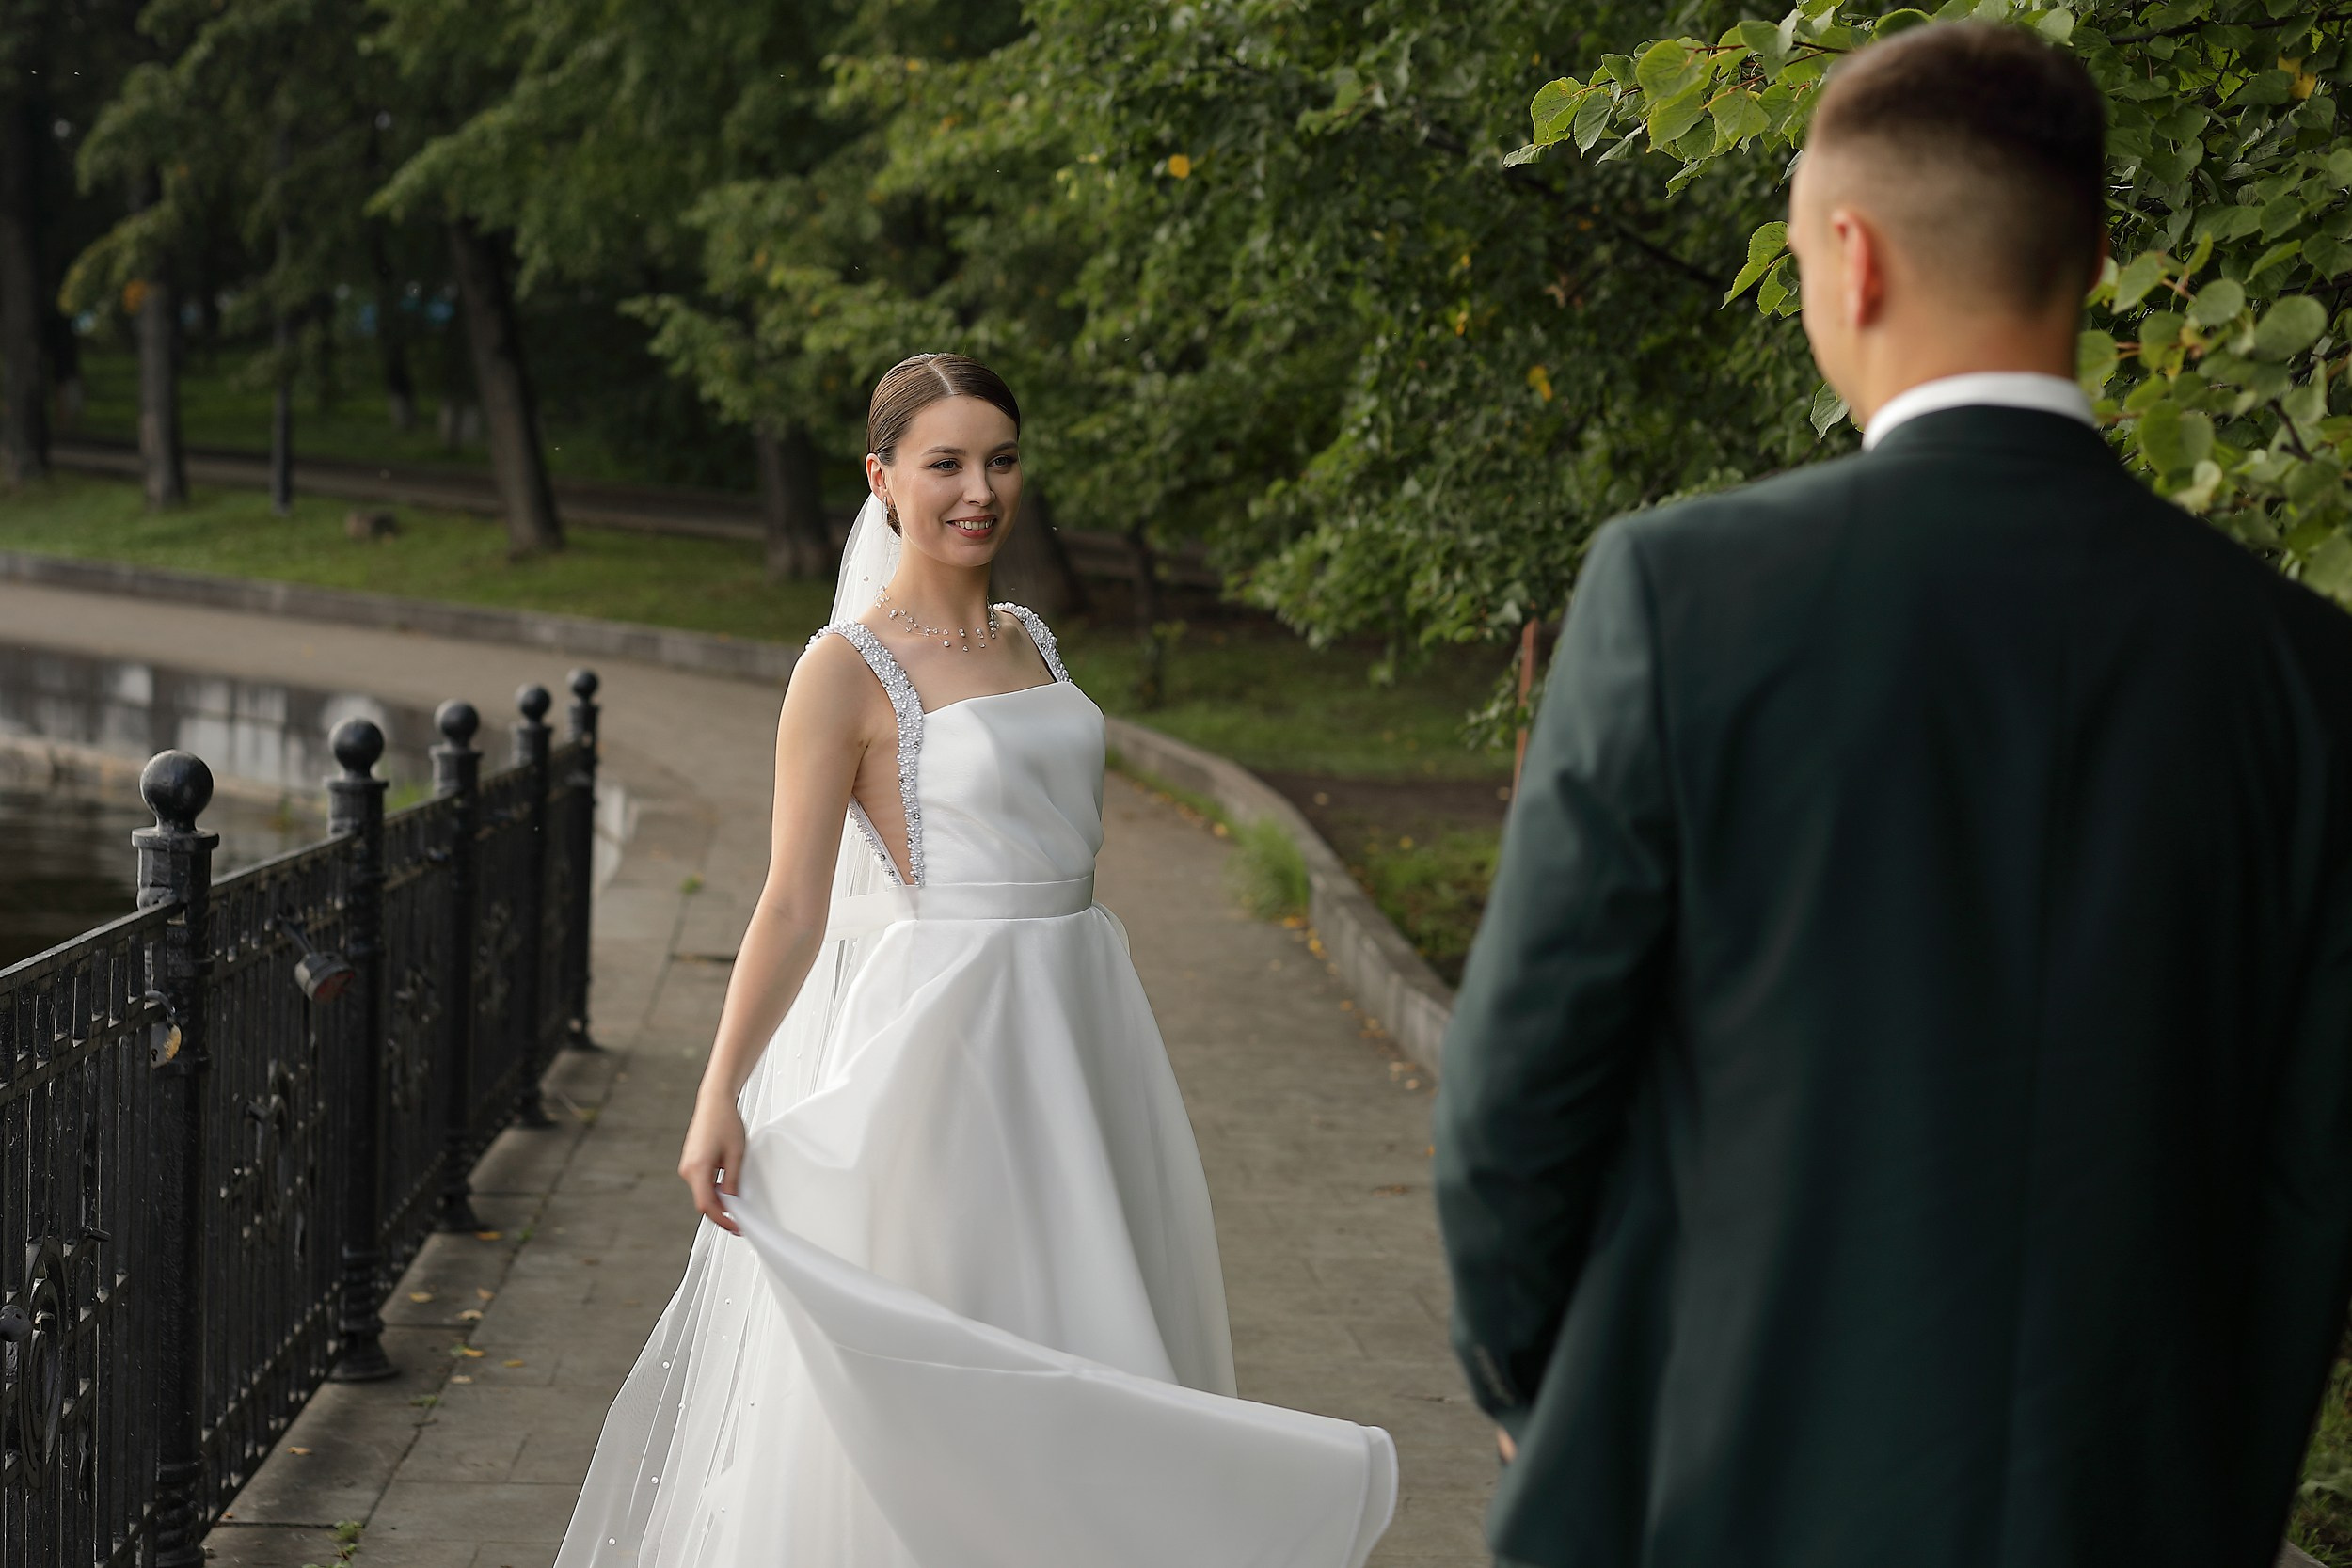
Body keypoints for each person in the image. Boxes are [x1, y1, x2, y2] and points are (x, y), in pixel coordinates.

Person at [1433, 23, 2352, 1568]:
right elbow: (2309, 1175)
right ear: (2097, 260)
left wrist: (1542, 1383)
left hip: (1728, 1494)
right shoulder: (2301, 669)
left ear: (1851, 258)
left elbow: (1519, 1083)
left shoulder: (1683, 595)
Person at [553, 354, 1395, 1568]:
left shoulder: (1031, 638)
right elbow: (790, 902)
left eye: (1000, 460)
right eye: (945, 463)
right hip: (955, 1046)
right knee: (976, 1340)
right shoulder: (843, 670)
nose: (979, 491)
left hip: (1084, 1019)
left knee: (1094, 1327)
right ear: (881, 478)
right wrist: (718, 1089)